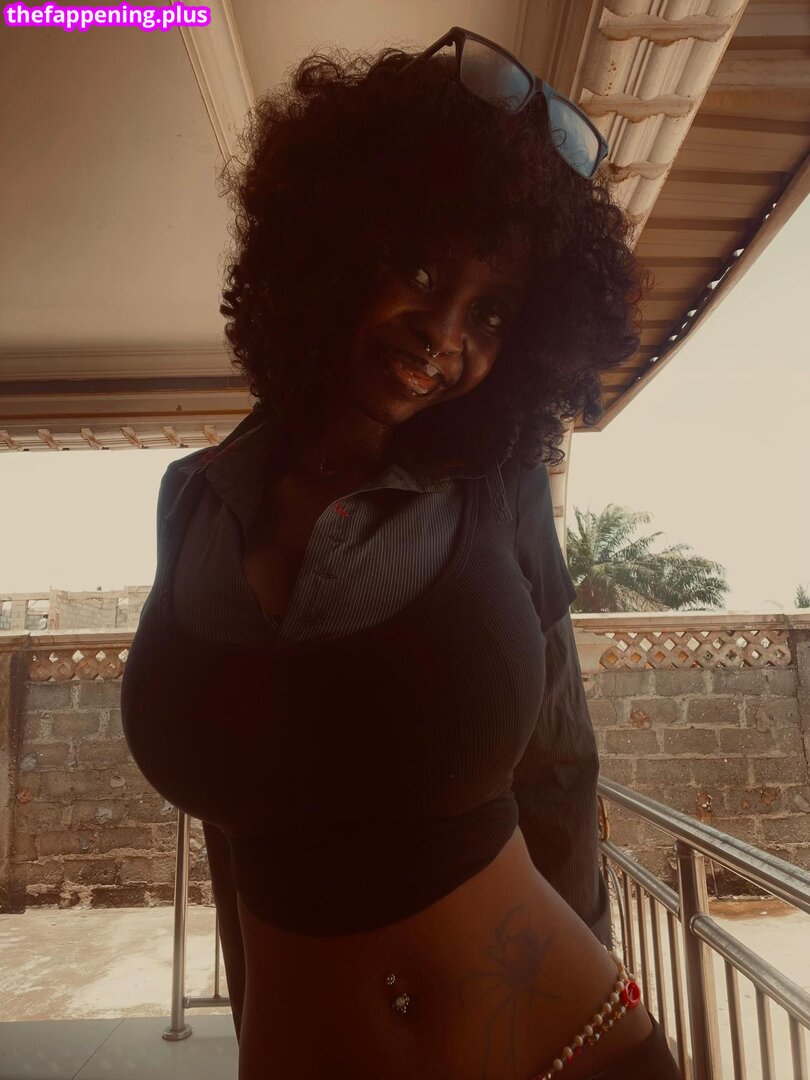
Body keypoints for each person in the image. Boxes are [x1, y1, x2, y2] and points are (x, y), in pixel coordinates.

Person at [121, 27, 682, 1079]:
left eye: (492, 312)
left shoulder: (498, 490)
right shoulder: (192, 502)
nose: (443, 333)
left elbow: (559, 769)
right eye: (420, 268)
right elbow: (238, 831)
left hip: (563, 1051)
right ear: (337, 251)